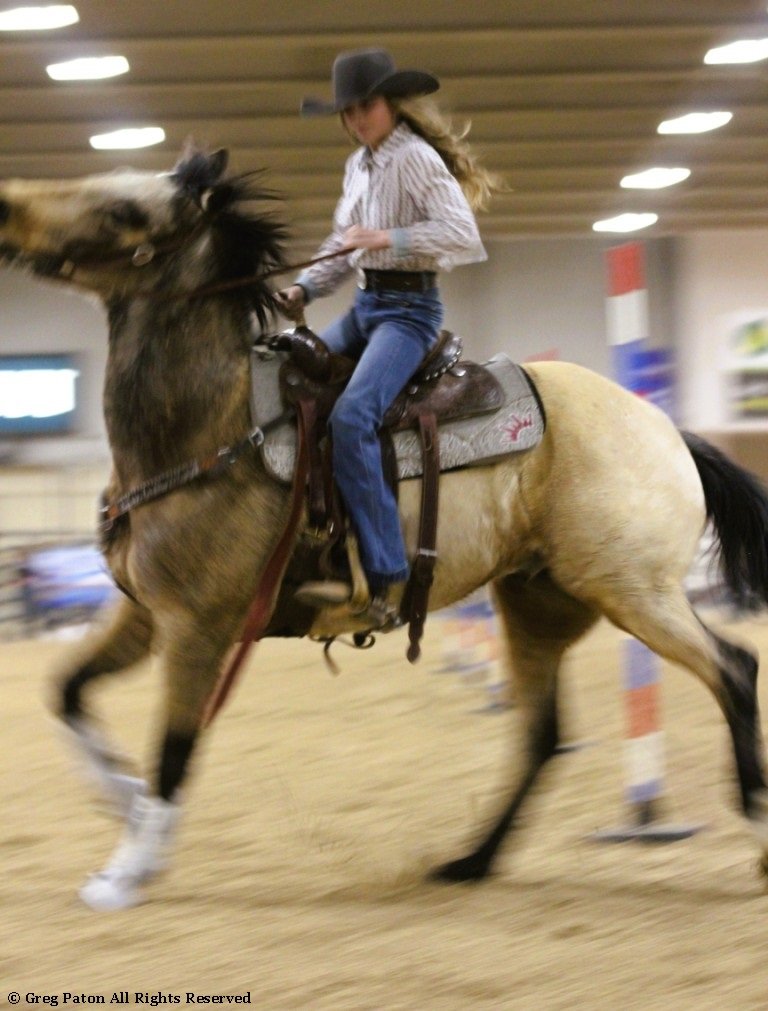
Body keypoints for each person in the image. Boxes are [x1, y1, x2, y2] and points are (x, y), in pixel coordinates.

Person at [276, 47, 500, 629]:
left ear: (390, 103)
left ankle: (386, 570)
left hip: (409, 312)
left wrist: (386, 240)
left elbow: (461, 235)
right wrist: (303, 288)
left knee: (353, 418)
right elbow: (342, 244)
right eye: (347, 113)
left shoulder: (417, 159)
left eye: (365, 107)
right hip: (368, 304)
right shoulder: (359, 166)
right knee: (287, 382)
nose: (356, 120)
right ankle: (317, 531)